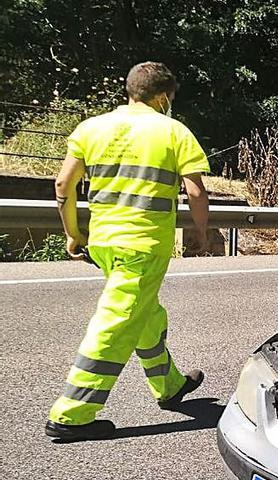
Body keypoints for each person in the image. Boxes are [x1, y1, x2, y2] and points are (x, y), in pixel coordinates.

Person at [46, 62, 210, 442]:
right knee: (116, 324)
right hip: (144, 246)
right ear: (162, 96)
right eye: (170, 96)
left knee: (144, 313)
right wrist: (201, 233)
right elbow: (196, 191)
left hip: (104, 242)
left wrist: (73, 234)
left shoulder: (91, 128)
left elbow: (63, 184)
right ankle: (72, 414)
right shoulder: (173, 131)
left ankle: (169, 386)